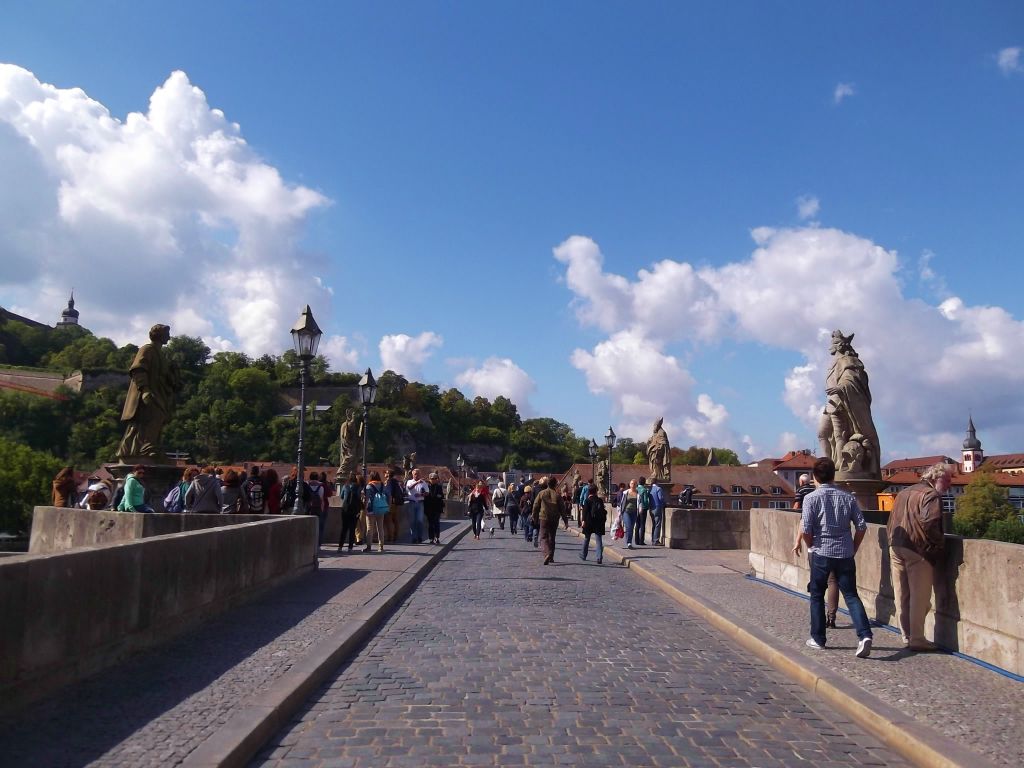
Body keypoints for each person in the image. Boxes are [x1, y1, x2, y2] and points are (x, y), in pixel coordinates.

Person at [800, 457, 874, 658]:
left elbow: (805, 529)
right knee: (851, 595)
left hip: (821, 552)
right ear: (834, 475)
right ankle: (864, 635)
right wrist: (853, 548)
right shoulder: (848, 498)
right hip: (844, 554)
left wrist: (811, 545)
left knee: (816, 595)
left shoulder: (811, 498)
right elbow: (861, 527)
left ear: (815, 476)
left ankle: (818, 639)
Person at [887, 462, 951, 651]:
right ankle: (917, 638)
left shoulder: (904, 492)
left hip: (896, 545)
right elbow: (930, 522)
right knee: (919, 596)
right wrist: (939, 545)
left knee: (901, 594)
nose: (949, 485)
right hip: (917, 548)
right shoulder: (931, 494)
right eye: (946, 480)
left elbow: (891, 520)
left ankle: (906, 635)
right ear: (935, 478)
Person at [817, 330, 882, 477]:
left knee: (839, 436)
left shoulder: (849, 361)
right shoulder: (835, 362)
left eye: (833, 344)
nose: (830, 347)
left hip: (841, 403)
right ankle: (828, 463)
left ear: (840, 346)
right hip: (831, 403)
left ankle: (839, 464)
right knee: (823, 433)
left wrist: (840, 387)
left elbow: (853, 380)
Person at [117, 324, 178, 461]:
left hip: (159, 393)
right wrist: (144, 389)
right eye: (166, 334)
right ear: (160, 335)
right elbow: (138, 370)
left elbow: (166, 378)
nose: (169, 336)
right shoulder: (147, 349)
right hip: (146, 393)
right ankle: (144, 449)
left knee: (159, 417)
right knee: (150, 417)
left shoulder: (161, 355)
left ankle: (149, 447)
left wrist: (173, 372)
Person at [792, 472, 839, 628]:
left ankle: (817, 625)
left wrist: (800, 542)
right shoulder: (840, 496)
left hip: (817, 548)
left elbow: (804, 524)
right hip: (837, 548)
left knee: (817, 585)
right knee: (833, 582)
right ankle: (831, 618)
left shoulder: (810, 499)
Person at [532, 476, 561, 565]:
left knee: (544, 537)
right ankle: (551, 556)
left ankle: (546, 553)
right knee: (552, 537)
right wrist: (565, 520)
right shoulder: (557, 495)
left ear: (547, 484)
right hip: (554, 518)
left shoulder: (542, 493)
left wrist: (534, 515)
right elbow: (562, 508)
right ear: (555, 484)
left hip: (544, 517)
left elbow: (536, 505)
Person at [362, 470, 389, 552]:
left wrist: (365, 508)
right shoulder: (382, 485)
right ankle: (381, 546)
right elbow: (387, 495)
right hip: (380, 508)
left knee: (370, 528)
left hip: (371, 509)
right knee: (380, 528)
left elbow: (366, 498)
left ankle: (369, 546)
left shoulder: (369, 486)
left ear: (371, 477)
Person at [580, 482, 606, 564]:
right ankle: (599, 557)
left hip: (589, 522)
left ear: (589, 491)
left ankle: (584, 555)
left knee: (587, 539)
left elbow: (585, 512)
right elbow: (603, 511)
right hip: (598, 522)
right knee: (598, 540)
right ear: (596, 491)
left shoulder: (587, 500)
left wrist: (583, 521)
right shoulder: (600, 500)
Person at [337, 472, 362, 553]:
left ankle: (340, 547)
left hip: (345, 510)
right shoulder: (358, 487)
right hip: (354, 510)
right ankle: (350, 548)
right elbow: (359, 498)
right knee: (352, 529)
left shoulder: (345, 486)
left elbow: (341, 496)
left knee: (344, 529)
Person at [405, 467, 429, 544]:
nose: (417, 475)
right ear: (412, 475)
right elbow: (409, 488)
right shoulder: (409, 481)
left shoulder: (424, 483)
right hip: (412, 503)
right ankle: (414, 537)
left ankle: (419, 537)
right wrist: (417, 482)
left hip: (420, 503)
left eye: (418, 474)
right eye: (415, 474)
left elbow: (427, 492)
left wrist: (421, 494)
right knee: (412, 521)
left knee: (419, 521)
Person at [646, 416, 672, 482]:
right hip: (654, 451)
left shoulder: (662, 432)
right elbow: (653, 440)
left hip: (659, 452)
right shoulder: (655, 433)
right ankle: (655, 473)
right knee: (654, 462)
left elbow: (664, 443)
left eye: (655, 425)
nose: (654, 427)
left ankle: (658, 474)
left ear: (657, 425)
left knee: (656, 461)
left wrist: (658, 448)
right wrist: (649, 441)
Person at [424, 471, 446, 545]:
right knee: (430, 524)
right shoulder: (426, 486)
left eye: (435, 478)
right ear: (429, 479)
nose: (434, 480)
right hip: (429, 507)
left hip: (437, 507)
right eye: (432, 478)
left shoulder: (439, 487)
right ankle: (431, 538)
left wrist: (440, 496)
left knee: (436, 523)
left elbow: (442, 496)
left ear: (437, 479)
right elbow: (424, 495)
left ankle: (437, 537)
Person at [384, 469, 405, 543]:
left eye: (386, 473)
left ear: (388, 474)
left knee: (389, 520)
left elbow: (388, 493)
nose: (385, 474)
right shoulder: (396, 482)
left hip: (390, 503)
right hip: (395, 503)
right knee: (395, 520)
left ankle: (390, 537)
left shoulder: (389, 482)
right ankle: (396, 535)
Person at [619, 479, 641, 550]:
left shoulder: (638, 493)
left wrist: (640, 509)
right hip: (626, 512)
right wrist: (620, 512)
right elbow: (622, 502)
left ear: (636, 485)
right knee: (628, 526)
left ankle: (629, 542)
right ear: (630, 484)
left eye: (634, 484)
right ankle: (628, 543)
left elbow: (640, 503)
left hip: (634, 512)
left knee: (631, 528)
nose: (633, 485)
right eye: (632, 483)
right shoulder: (626, 492)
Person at [306, 470, 326, 544]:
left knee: (308, 526)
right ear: (317, 478)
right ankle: (317, 543)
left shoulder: (307, 485)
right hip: (317, 509)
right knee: (317, 526)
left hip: (308, 508)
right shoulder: (321, 487)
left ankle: (308, 541)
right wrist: (322, 509)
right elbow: (322, 500)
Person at [649, 480, 665, 546]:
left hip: (651, 508)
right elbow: (661, 498)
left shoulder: (650, 490)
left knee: (653, 524)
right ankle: (656, 540)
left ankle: (653, 539)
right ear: (657, 482)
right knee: (657, 524)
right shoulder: (658, 489)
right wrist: (664, 503)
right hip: (657, 507)